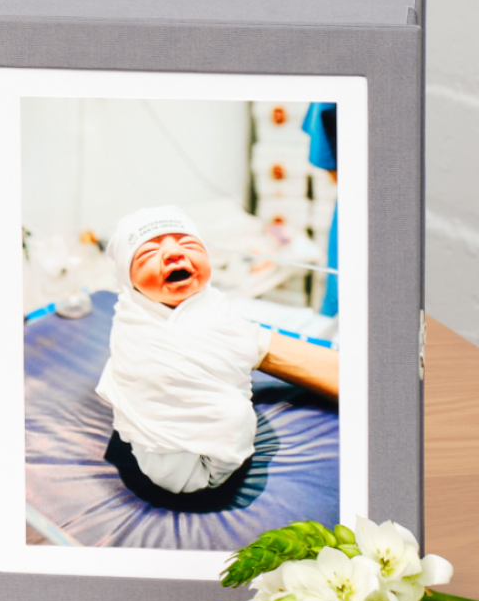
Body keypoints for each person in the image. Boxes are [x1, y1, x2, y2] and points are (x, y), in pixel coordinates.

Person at [96, 204, 339, 498]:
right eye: (148, 253)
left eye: (188, 244)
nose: (174, 253)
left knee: (233, 415)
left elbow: (239, 351)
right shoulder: (132, 322)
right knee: (225, 414)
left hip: (223, 452)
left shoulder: (217, 308)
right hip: (166, 456)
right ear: (128, 278)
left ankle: (218, 450)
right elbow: (138, 375)